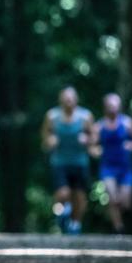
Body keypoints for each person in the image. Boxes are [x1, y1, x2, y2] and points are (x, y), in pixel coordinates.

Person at [41, 87, 95, 235]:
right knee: (63, 194)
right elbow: (45, 138)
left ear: (76, 100)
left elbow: (94, 138)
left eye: (71, 99)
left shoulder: (85, 116)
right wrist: (50, 141)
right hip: (60, 162)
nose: (68, 102)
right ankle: (61, 214)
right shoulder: (52, 116)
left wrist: (87, 140)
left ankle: (75, 224)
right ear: (60, 100)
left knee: (79, 196)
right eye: (65, 99)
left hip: (80, 162)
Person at [92, 93, 132, 234]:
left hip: (125, 168)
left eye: (115, 106)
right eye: (109, 106)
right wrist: (96, 151)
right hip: (108, 167)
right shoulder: (99, 126)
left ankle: (117, 219)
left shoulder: (128, 123)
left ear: (119, 107)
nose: (112, 109)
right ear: (105, 107)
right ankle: (118, 228)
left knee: (125, 203)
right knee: (113, 198)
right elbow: (92, 144)